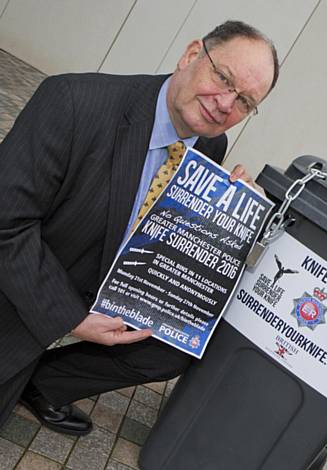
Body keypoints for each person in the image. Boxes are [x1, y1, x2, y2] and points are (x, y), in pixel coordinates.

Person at [0, 20, 279, 435]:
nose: (225, 103)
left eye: (244, 102)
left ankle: (42, 384)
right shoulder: (73, 101)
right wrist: (69, 318)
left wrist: (224, 209)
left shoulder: (210, 146)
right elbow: (7, 225)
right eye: (223, 78)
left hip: (106, 277)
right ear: (190, 55)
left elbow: (163, 236)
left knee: (175, 344)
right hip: (29, 285)